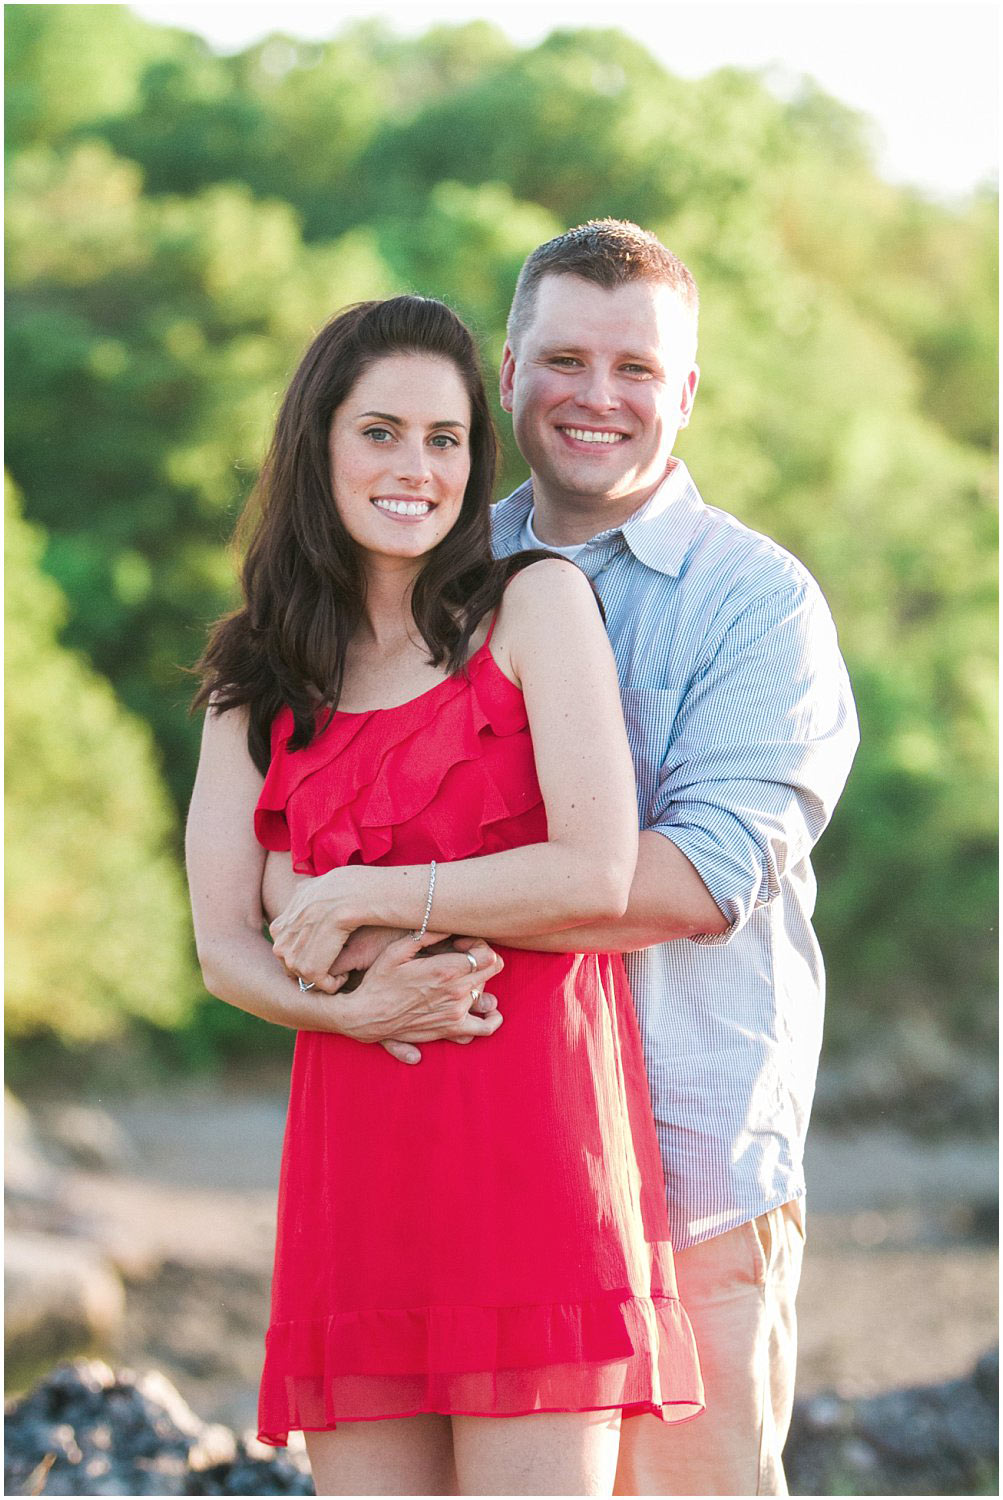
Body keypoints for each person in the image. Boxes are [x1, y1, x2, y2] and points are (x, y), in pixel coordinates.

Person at [274, 221, 860, 1496]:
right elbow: (298, 821)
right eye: (566, 360)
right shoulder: (417, 570)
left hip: (689, 1173)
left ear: (686, 392)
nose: (598, 398)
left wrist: (378, 907)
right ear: (506, 375)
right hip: (460, 1173)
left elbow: (692, 883)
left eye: (638, 370)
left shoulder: (756, 605)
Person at [186, 293, 703, 1498]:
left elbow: (594, 869)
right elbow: (225, 945)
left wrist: (376, 890)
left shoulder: (534, 606)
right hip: (356, 1162)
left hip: (535, 1149)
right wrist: (349, 1013)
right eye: (379, 432)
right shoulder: (254, 674)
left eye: (446, 437)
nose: (415, 467)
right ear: (317, 445)